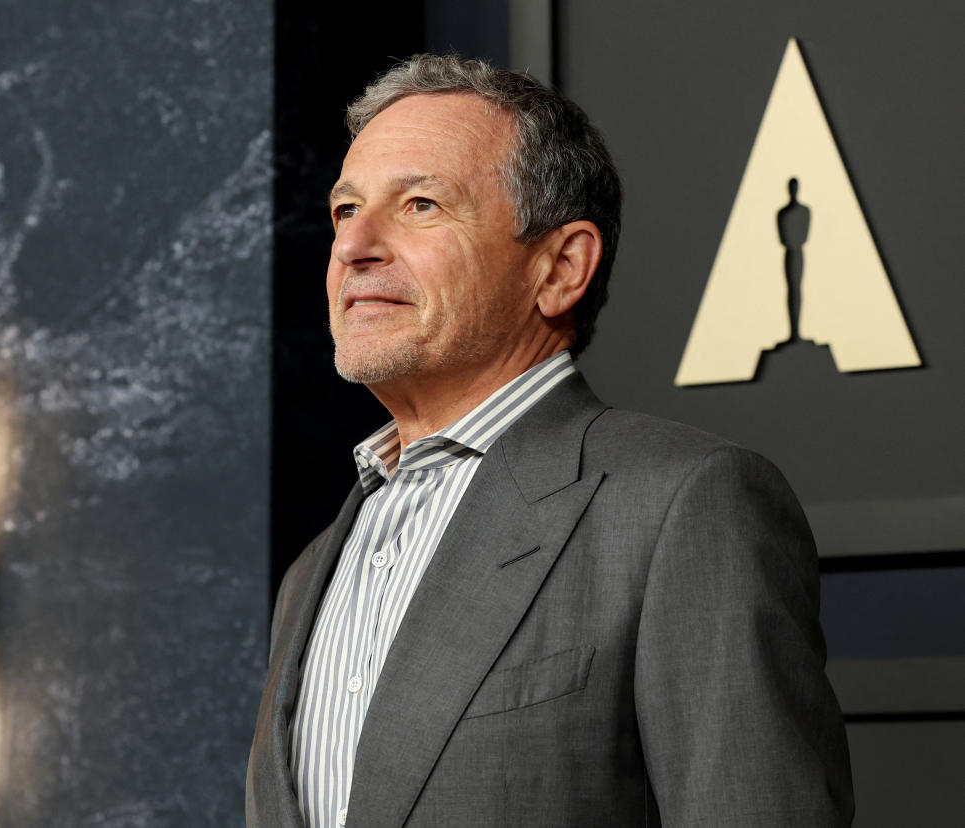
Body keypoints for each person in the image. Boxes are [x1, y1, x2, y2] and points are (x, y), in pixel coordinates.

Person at [247, 54, 853, 827]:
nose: (353, 246)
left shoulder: (683, 507)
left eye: (421, 204)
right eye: (345, 210)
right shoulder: (310, 572)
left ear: (561, 268)